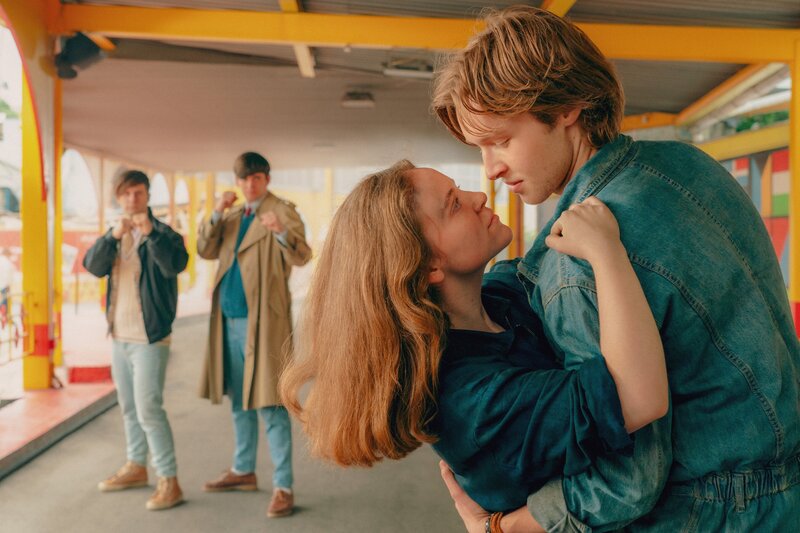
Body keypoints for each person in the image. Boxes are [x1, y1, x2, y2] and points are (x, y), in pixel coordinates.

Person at [431, 6, 800, 531]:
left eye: (501, 140)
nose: (490, 170)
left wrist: (502, 525)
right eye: (481, 148)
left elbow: (628, 483)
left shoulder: (578, 265)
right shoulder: (688, 164)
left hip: (703, 514)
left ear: (566, 107)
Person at [280, 161, 668, 524]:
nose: (479, 197)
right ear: (428, 265)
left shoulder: (498, 296)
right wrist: (606, 252)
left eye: (460, 190)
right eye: (454, 205)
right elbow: (639, 399)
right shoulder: (474, 400)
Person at [197, 151, 311, 519]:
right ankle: (243, 469)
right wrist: (216, 212)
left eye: (257, 178)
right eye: (244, 179)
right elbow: (204, 249)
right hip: (229, 320)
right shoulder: (232, 215)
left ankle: (283, 486)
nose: (250, 184)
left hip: (263, 324)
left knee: (270, 403)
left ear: (266, 180)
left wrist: (280, 232)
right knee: (239, 400)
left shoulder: (282, 211)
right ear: (237, 181)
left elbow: (302, 255)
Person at [83, 169, 188, 511]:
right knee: (128, 408)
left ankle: (169, 480)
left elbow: (174, 265)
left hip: (150, 338)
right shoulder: (115, 235)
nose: (132, 199)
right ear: (118, 197)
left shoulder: (164, 234)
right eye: (126, 193)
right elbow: (92, 266)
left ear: (147, 196)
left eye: (138, 193)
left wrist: (150, 233)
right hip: (119, 337)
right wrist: (113, 236)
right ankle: (136, 465)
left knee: (149, 409)